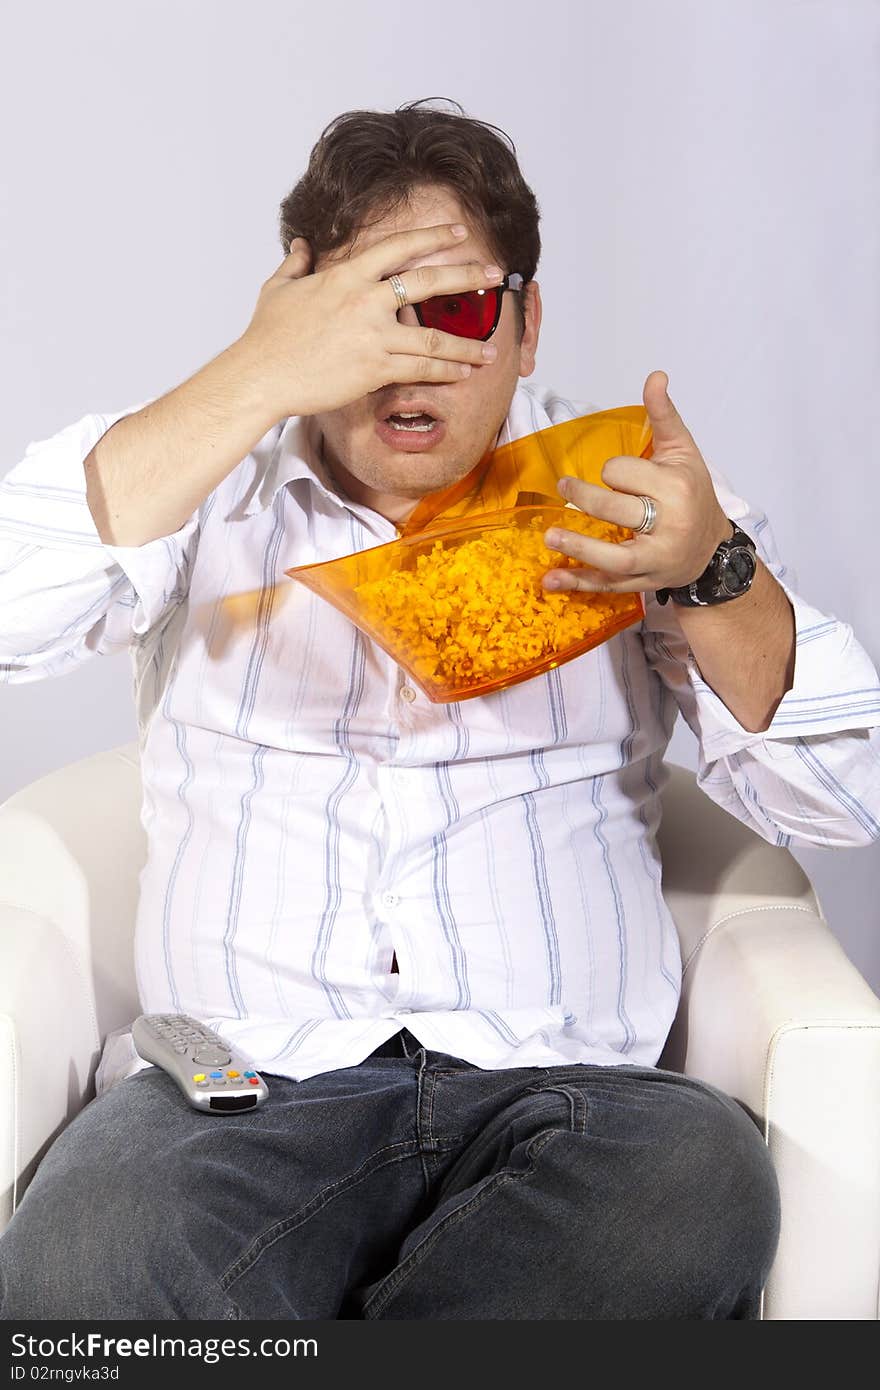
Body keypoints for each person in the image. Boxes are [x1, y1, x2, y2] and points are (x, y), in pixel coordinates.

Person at [0, 97, 878, 1323]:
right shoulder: (200, 482)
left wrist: (712, 567)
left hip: (570, 1090)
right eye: (367, 312)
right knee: (88, 1261)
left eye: (456, 310)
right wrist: (258, 373)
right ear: (295, 308)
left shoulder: (630, 502)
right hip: (234, 1090)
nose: (409, 358)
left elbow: (841, 798)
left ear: (526, 326)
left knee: (696, 1185)